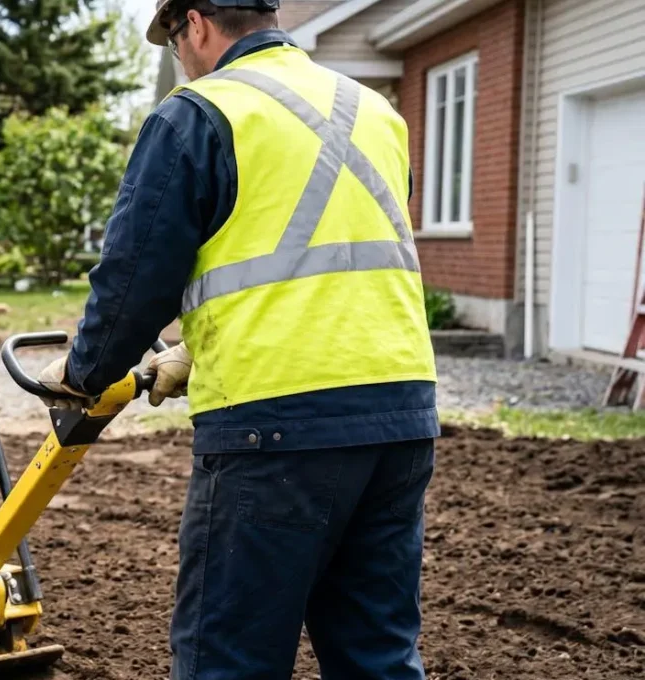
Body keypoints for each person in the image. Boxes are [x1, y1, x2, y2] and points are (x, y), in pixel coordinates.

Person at [33, 1, 439, 678]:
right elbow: (326, 256)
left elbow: (137, 275)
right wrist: (197, 349)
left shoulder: (198, 110)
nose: (178, 58)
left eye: (172, 41)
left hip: (274, 429)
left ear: (194, 24)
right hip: (400, 418)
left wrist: (85, 371)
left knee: (229, 659)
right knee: (377, 653)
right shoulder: (374, 110)